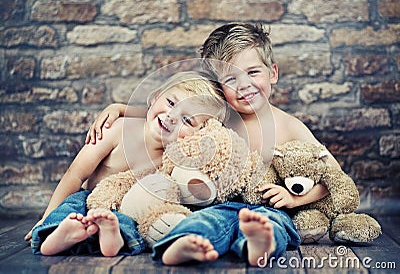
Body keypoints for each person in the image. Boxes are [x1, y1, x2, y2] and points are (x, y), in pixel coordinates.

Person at [85, 22, 342, 266]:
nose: (244, 86)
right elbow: (173, 117)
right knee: (206, 220)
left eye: (253, 72)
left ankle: (259, 244)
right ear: (219, 88)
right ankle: (183, 242)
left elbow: (336, 177)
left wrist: (294, 200)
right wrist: (121, 109)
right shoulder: (221, 117)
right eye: (231, 80)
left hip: (268, 207)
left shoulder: (290, 127)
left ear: (272, 73)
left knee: (274, 222)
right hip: (215, 205)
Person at [27, 71, 228, 257]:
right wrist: (47, 215)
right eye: (171, 103)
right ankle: (54, 232)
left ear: (199, 134)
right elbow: (75, 175)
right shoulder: (119, 129)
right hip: (89, 199)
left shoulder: (174, 159)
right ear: (156, 95)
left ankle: (111, 237)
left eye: (188, 120)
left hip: (123, 213)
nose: (172, 117)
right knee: (71, 207)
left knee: (133, 225)